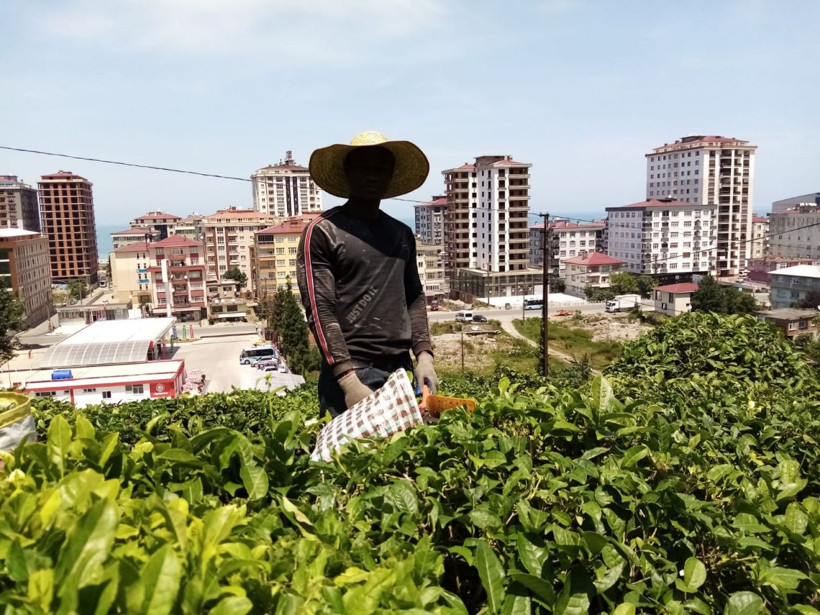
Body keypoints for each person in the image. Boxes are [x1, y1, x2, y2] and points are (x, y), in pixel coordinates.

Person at [297, 131, 438, 417]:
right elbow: (320, 310)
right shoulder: (323, 231)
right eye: (364, 168)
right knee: (349, 459)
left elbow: (414, 297)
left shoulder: (401, 234)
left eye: (381, 169)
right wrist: (349, 382)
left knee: (402, 458)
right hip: (352, 370)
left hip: (399, 371)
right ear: (348, 173)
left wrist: (424, 355)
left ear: (390, 177)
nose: (372, 176)